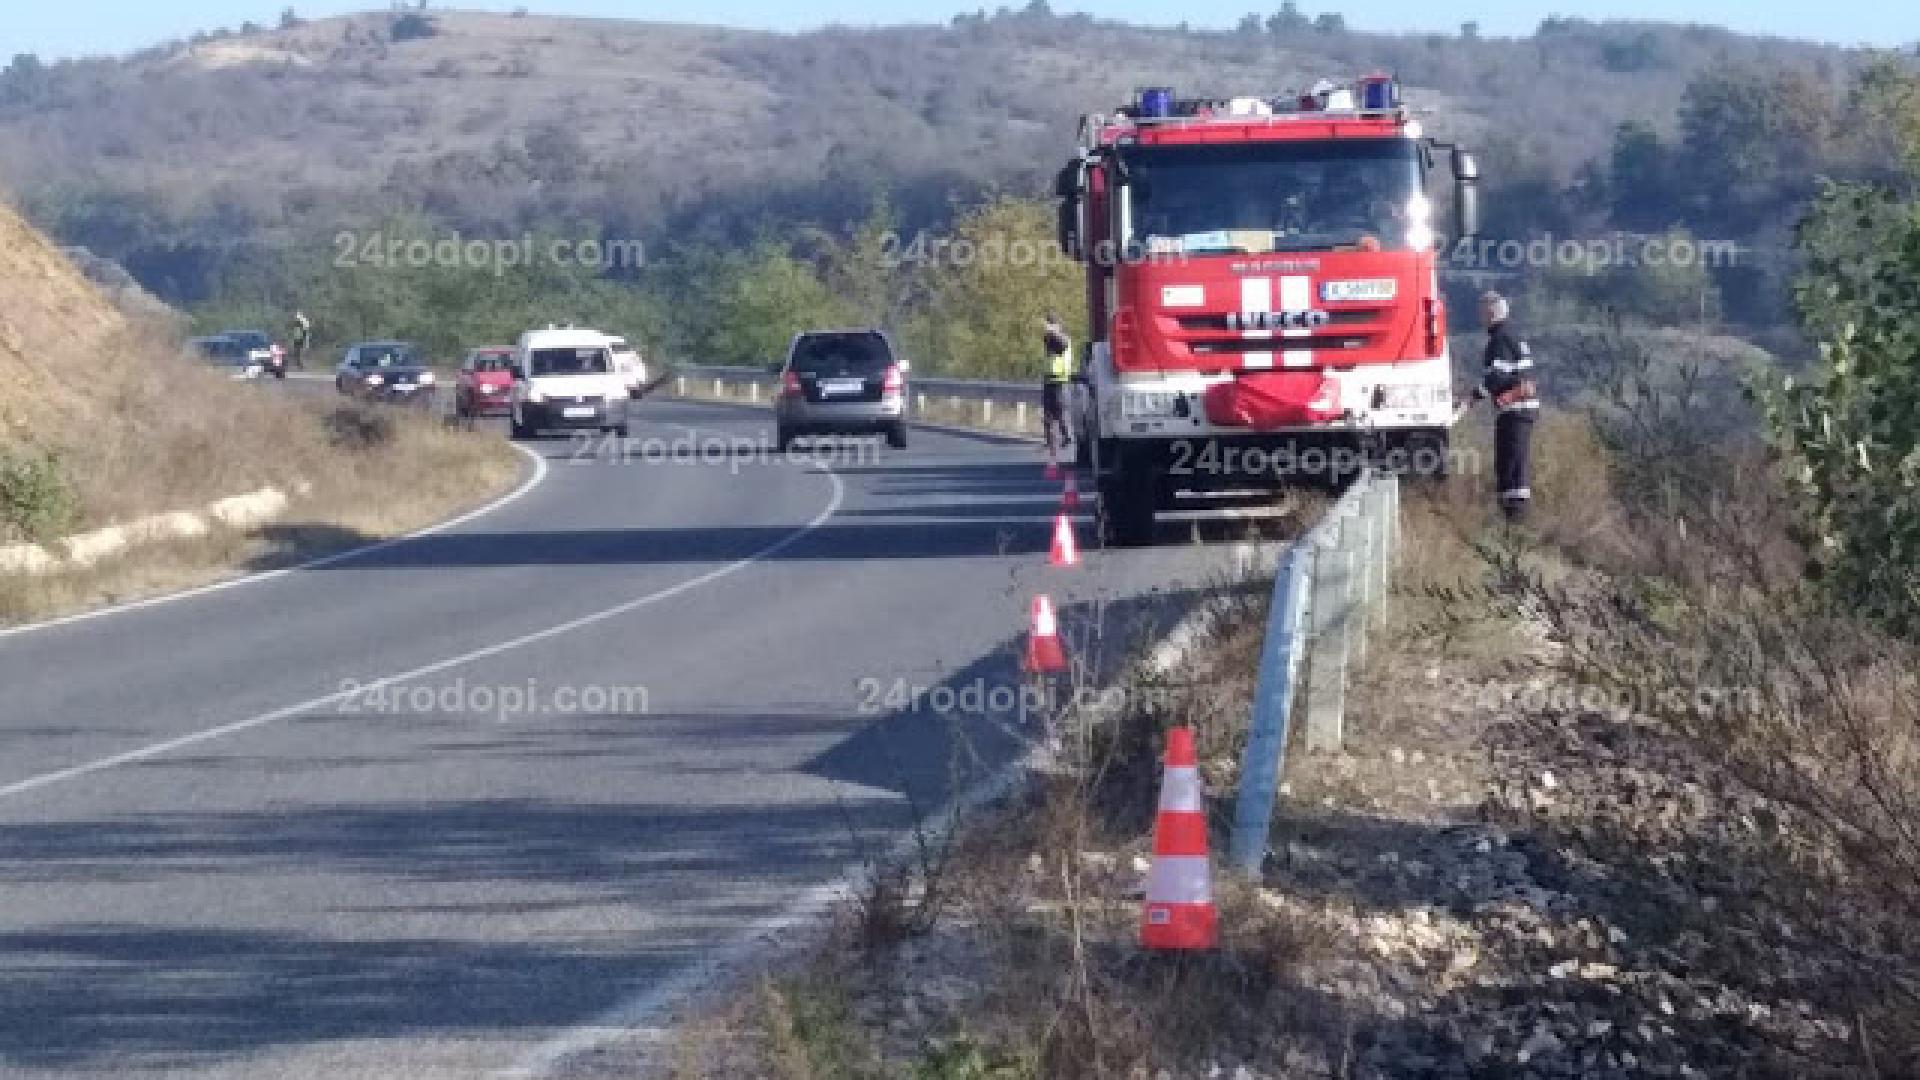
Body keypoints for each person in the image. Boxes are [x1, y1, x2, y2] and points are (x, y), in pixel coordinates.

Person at [1472, 291, 1539, 520]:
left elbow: (1497, 377)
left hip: (1515, 411)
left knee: (1511, 466)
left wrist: (1473, 397)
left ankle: (1515, 518)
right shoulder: (1514, 336)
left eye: (1482, 312)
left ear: (1491, 312)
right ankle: (1511, 516)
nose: (1480, 317)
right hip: (1520, 410)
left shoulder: (1500, 340)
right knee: (1511, 463)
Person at [1041, 313, 1074, 455]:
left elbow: (1062, 345)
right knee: (1047, 415)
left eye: (1051, 323)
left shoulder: (1063, 338)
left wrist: (1054, 332)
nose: (1048, 326)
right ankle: (1050, 442)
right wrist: (1050, 333)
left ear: (1058, 326)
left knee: (1061, 413)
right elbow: (1048, 343)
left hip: (1061, 381)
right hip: (1049, 380)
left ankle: (1067, 437)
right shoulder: (1049, 338)